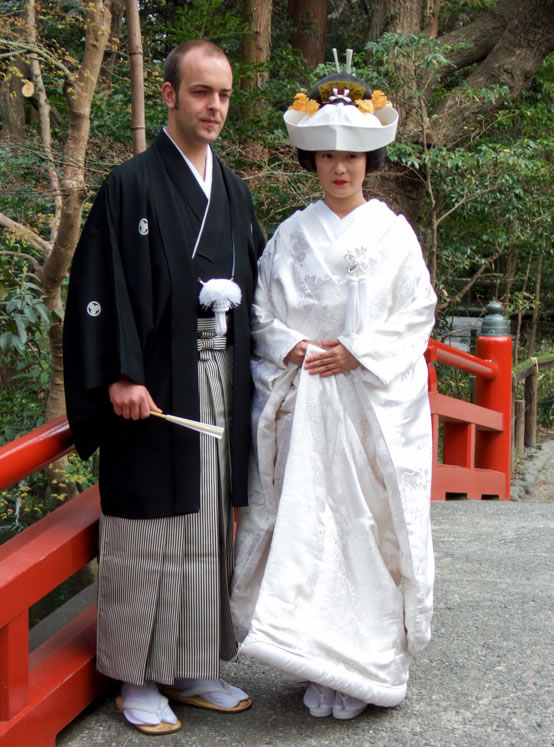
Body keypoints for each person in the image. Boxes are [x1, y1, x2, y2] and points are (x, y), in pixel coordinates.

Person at [63, 40, 265, 735]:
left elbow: (264, 285)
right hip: (151, 388)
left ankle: (192, 662)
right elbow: (99, 286)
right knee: (150, 531)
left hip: (219, 375)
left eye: (225, 95)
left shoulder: (234, 190)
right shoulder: (131, 184)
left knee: (209, 521)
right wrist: (120, 372)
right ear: (171, 94)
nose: (215, 107)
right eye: (202, 91)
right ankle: (135, 675)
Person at [230, 64, 437, 721]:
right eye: (327, 156)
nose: (340, 168)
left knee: (371, 531)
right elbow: (261, 315)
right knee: (313, 531)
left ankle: (371, 662)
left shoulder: (393, 234)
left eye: (350, 156)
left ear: (367, 160)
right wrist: (295, 347)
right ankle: (315, 653)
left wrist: (360, 351)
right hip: (309, 407)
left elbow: (415, 312)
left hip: (369, 407)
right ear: (312, 160)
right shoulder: (290, 236)